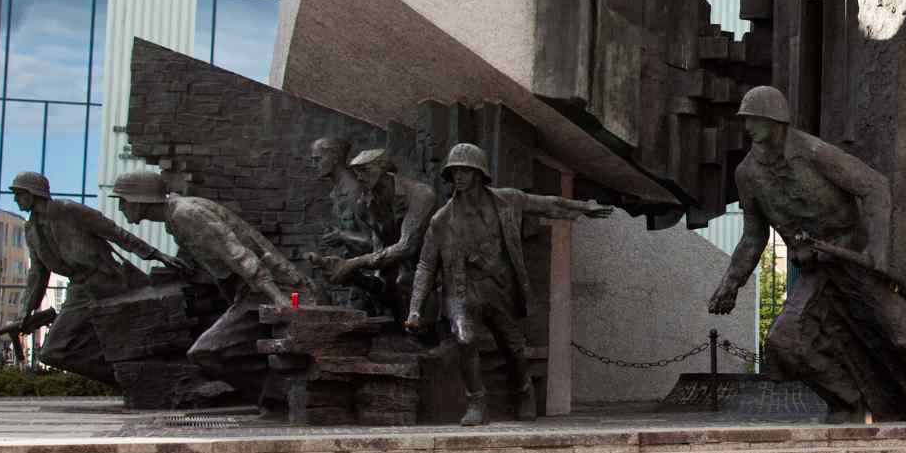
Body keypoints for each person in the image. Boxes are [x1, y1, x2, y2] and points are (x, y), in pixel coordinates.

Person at [707, 86, 906, 423]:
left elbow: (875, 186)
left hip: (853, 256)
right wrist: (731, 284)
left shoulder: (813, 152)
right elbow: (753, 236)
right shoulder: (748, 174)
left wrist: (878, 250)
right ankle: (847, 402)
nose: (748, 126)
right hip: (815, 268)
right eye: (746, 119)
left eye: (754, 119)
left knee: (902, 333)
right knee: (785, 342)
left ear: (775, 119)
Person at [405, 143, 612, 426]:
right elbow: (426, 265)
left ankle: (524, 391)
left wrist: (583, 207)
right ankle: (476, 401)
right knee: (464, 339)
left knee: (513, 345)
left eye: (466, 171)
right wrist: (414, 309)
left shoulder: (506, 201)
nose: (459, 177)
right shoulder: (441, 220)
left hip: (498, 287)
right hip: (461, 292)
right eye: (455, 172)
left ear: (479, 173)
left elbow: (547, 204)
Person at [112, 170, 314, 373]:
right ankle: (268, 384)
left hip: (273, 290)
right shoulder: (175, 216)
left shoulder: (186, 213)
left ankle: (271, 385)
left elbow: (237, 254)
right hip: (252, 293)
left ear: (139, 201)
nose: (120, 207)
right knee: (210, 353)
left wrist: (279, 298)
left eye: (122, 200)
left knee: (205, 353)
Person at [4, 171, 185, 380]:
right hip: (78, 289)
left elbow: (115, 232)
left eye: (19, 194)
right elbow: (37, 274)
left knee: (136, 337)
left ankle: (142, 376)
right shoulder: (30, 230)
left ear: (33, 193)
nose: (15, 199)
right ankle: (126, 378)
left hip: (108, 282)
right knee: (53, 352)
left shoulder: (68, 210)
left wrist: (155, 254)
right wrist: (25, 311)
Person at [322, 148, 437, 318]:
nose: (359, 177)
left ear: (383, 168)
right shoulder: (367, 204)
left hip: (435, 272)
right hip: (401, 277)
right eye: (356, 172)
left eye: (364, 170)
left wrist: (352, 264)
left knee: (407, 283)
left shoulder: (420, 195)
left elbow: (407, 247)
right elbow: (379, 254)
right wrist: (349, 273)